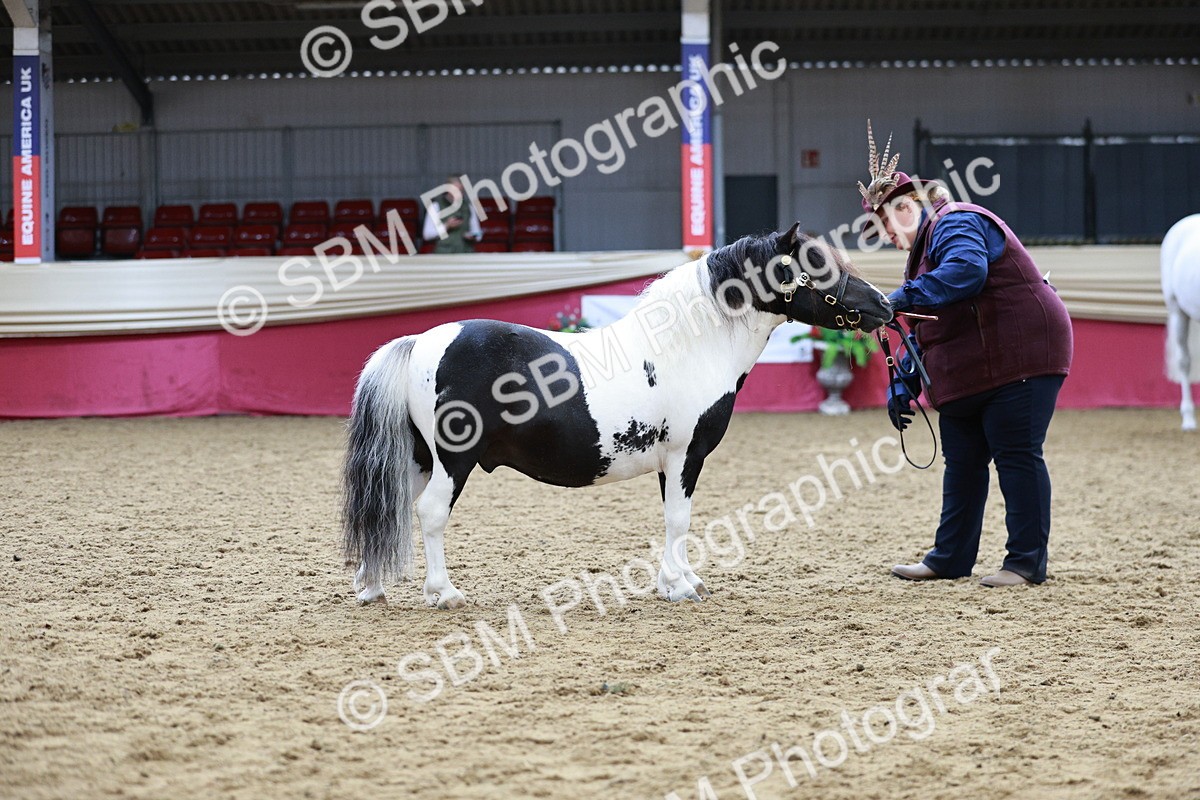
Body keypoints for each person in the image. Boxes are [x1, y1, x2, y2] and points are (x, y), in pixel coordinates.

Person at [856, 122, 1073, 587]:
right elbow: (928, 324)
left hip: (1021, 357)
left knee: (1015, 453)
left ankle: (1025, 562)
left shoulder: (954, 222)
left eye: (886, 224)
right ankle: (950, 558)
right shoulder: (926, 249)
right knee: (963, 459)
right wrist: (905, 381)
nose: (887, 235)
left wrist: (896, 299)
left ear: (907, 206)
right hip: (978, 367)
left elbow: (966, 273)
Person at [422, 176, 482, 253]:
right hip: (444, 255)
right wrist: (447, 226)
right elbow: (427, 234)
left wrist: (473, 236)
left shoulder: (469, 207)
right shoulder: (435, 206)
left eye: (461, 191)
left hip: (466, 254)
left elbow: (477, 233)